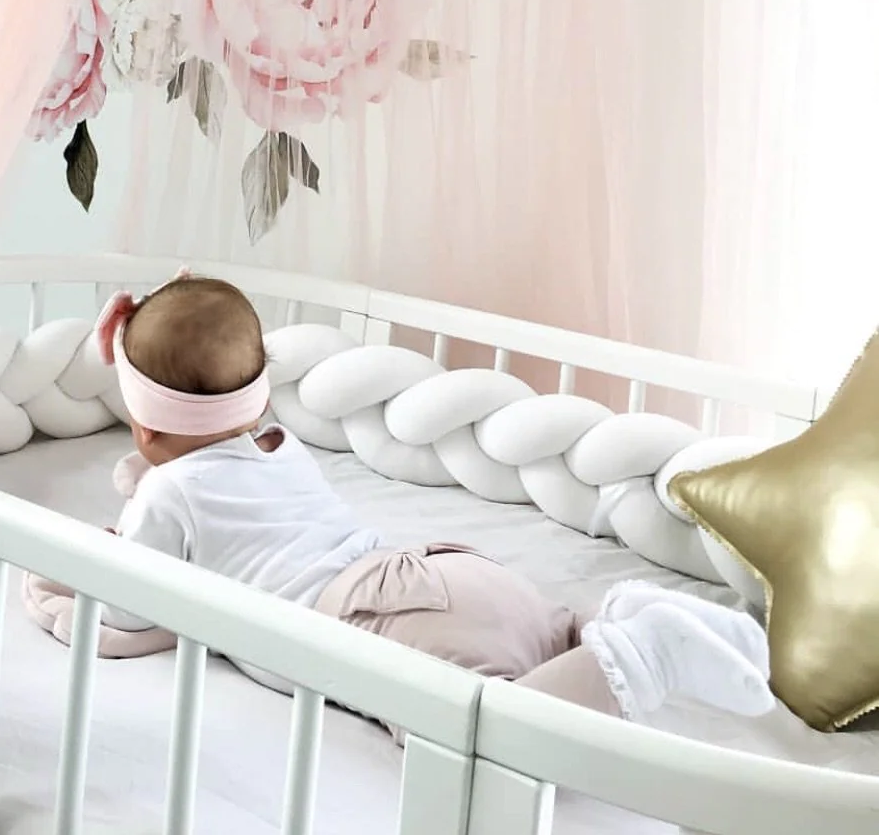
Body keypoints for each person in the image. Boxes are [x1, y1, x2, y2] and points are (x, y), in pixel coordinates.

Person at [92, 273, 775, 727]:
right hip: (439, 571)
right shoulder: (280, 444)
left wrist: (88, 563)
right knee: (552, 635)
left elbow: (124, 609)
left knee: (496, 725)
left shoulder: (167, 492)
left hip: (365, 621)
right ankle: (629, 614)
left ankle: (648, 650)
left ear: (144, 426)